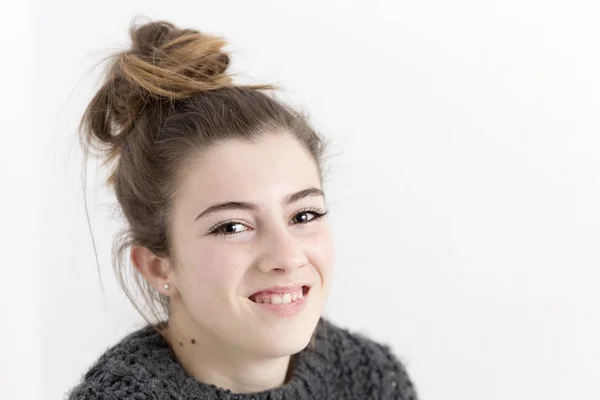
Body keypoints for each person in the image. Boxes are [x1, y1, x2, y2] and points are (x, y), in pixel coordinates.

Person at [68, 19, 419, 400]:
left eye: (303, 215)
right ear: (158, 266)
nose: (286, 257)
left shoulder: (371, 380)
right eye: (233, 226)